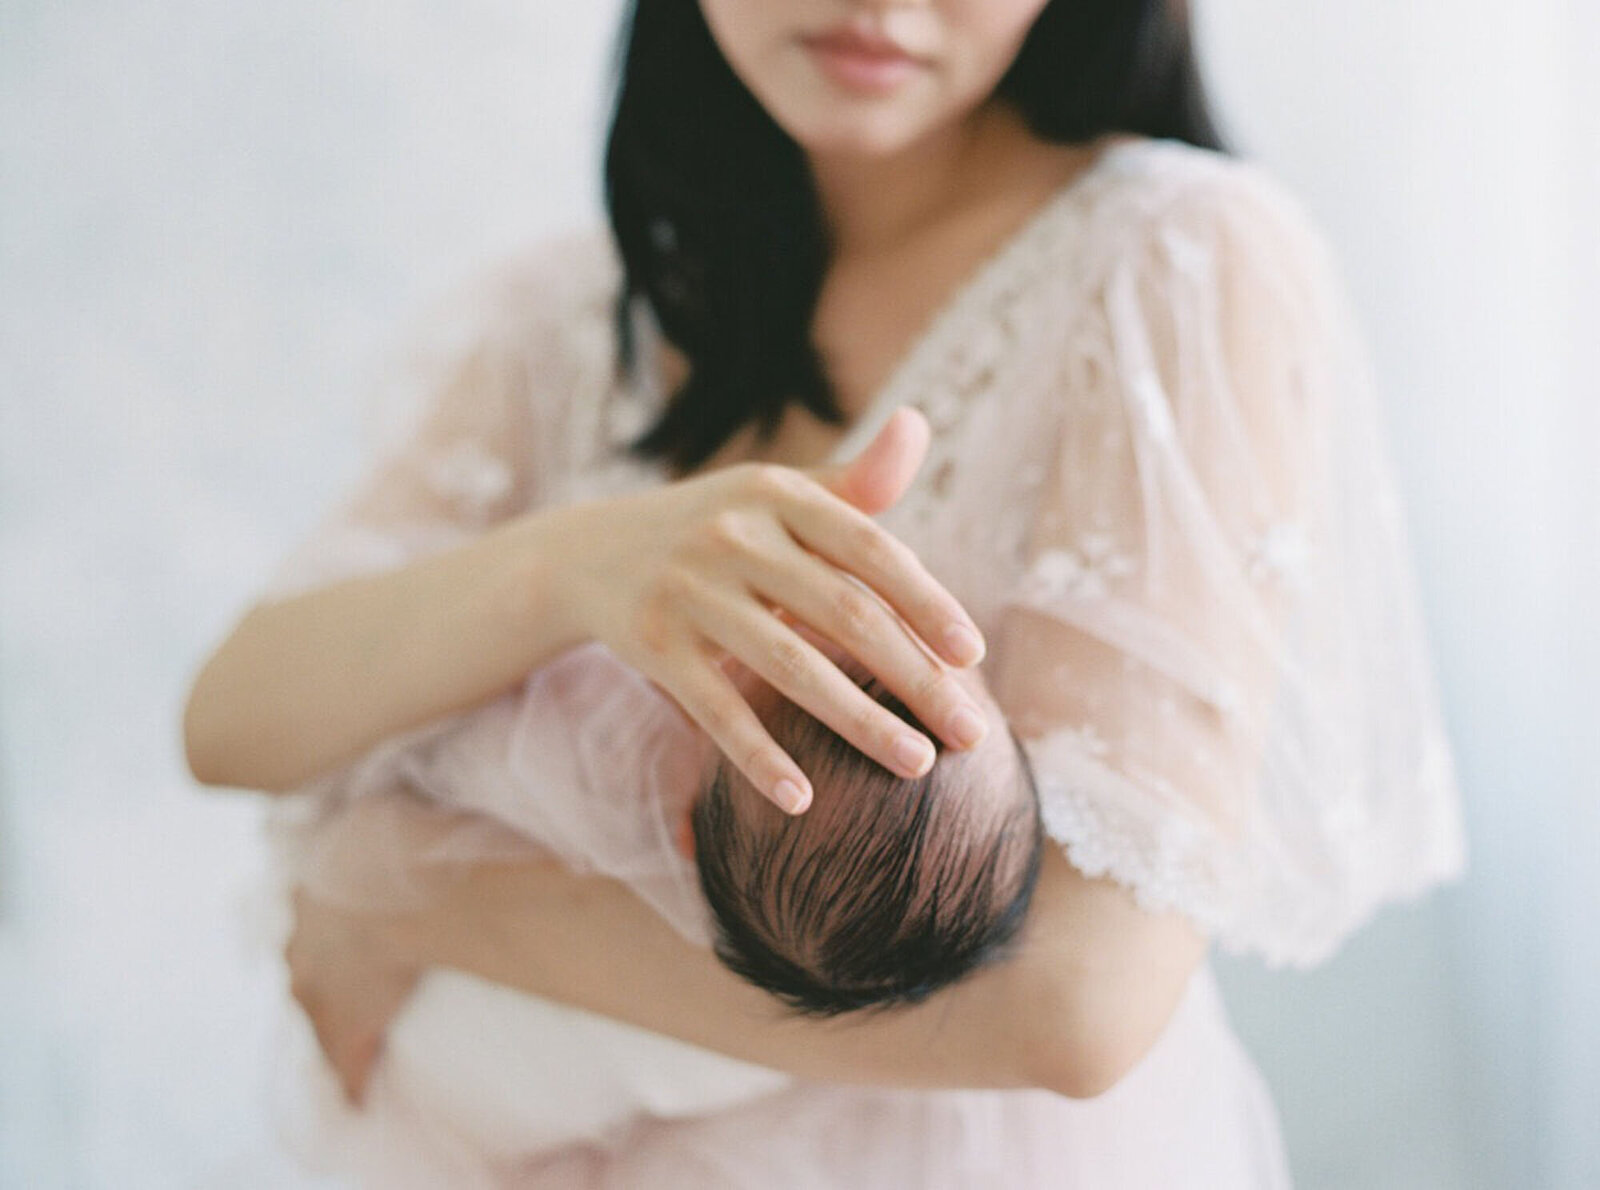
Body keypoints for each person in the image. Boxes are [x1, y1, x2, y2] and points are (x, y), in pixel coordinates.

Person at [185, 0, 1467, 1185]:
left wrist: (408, 900)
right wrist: (568, 567)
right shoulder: (569, 314)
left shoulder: (1175, 258)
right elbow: (232, 719)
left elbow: (1076, 1005)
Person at [264, 636, 1039, 1182]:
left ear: (685, 834)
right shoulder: (756, 1059)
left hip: (435, 1074)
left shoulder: (578, 792)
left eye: (749, 697)